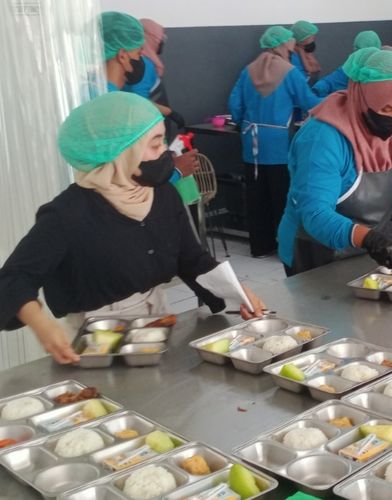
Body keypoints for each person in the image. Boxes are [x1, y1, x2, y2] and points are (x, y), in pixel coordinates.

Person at [0, 92, 265, 364]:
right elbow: (13, 278)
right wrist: (41, 324)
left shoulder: (162, 195)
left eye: (163, 141)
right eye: (155, 144)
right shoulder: (67, 214)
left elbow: (190, 259)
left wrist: (235, 292)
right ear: (121, 152)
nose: (165, 152)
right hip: (95, 336)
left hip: (156, 322)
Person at [277, 49, 392, 275]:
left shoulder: (389, 129)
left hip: (364, 246)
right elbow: (315, 213)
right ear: (364, 97)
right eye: (387, 109)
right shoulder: (322, 138)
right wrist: (368, 238)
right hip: (315, 250)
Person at [228, 26, 322, 257]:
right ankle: (285, 247)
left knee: (256, 195)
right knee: (281, 196)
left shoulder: (248, 70)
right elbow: (310, 102)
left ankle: (260, 246)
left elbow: (234, 103)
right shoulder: (289, 72)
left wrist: (241, 122)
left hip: (251, 142)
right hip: (279, 144)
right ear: (283, 45)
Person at [101, 13, 198, 182]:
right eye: (139, 53)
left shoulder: (96, 96)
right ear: (122, 56)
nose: (142, 61)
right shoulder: (123, 111)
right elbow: (136, 178)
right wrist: (176, 171)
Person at [123, 19, 186, 137]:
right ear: (150, 37)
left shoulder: (143, 62)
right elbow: (139, 102)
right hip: (147, 127)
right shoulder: (144, 64)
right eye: (160, 37)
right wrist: (170, 113)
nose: (161, 41)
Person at [312, 30, 383, 97]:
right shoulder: (350, 67)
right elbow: (327, 83)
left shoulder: (352, 67)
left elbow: (327, 83)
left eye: (358, 49)